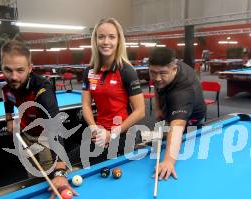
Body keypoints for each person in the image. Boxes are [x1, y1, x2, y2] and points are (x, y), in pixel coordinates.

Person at [0, 38, 77, 199]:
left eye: (20, 70)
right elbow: (7, 98)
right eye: (8, 70)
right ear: (2, 68)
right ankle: (36, 194)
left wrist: (60, 172)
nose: (13, 76)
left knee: (51, 172)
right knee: (34, 172)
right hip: (25, 132)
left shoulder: (43, 88)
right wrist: (8, 120)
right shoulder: (3, 82)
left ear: (30, 68)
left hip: (45, 135)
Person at [73, 18, 145, 167]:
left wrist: (112, 134)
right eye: (101, 37)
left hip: (124, 135)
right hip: (100, 134)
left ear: (119, 40)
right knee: (71, 160)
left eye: (111, 37)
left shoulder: (127, 71)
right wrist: (94, 128)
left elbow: (140, 111)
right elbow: (86, 105)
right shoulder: (89, 71)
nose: (106, 42)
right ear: (95, 40)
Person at [148, 47, 206, 180]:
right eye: (152, 72)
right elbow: (158, 86)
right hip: (171, 101)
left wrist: (168, 161)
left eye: (162, 73)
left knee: (182, 135)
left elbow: (178, 125)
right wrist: (158, 108)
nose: (157, 78)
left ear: (174, 69)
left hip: (192, 118)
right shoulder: (166, 68)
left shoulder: (183, 91)